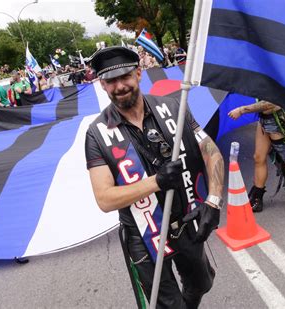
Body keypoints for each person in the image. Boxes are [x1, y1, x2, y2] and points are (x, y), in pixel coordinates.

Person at [85, 46, 224, 308]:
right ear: (102, 85)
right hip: (142, 233)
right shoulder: (97, 133)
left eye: (125, 76)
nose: (120, 86)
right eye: (111, 81)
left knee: (202, 283)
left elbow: (211, 151)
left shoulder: (173, 107)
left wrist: (214, 201)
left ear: (138, 73)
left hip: (185, 219)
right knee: (168, 305)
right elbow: (104, 199)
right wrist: (155, 182)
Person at [228, 101, 285, 217]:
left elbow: (270, 103)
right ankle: (257, 197)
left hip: (279, 119)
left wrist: (242, 110)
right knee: (258, 157)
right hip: (264, 120)